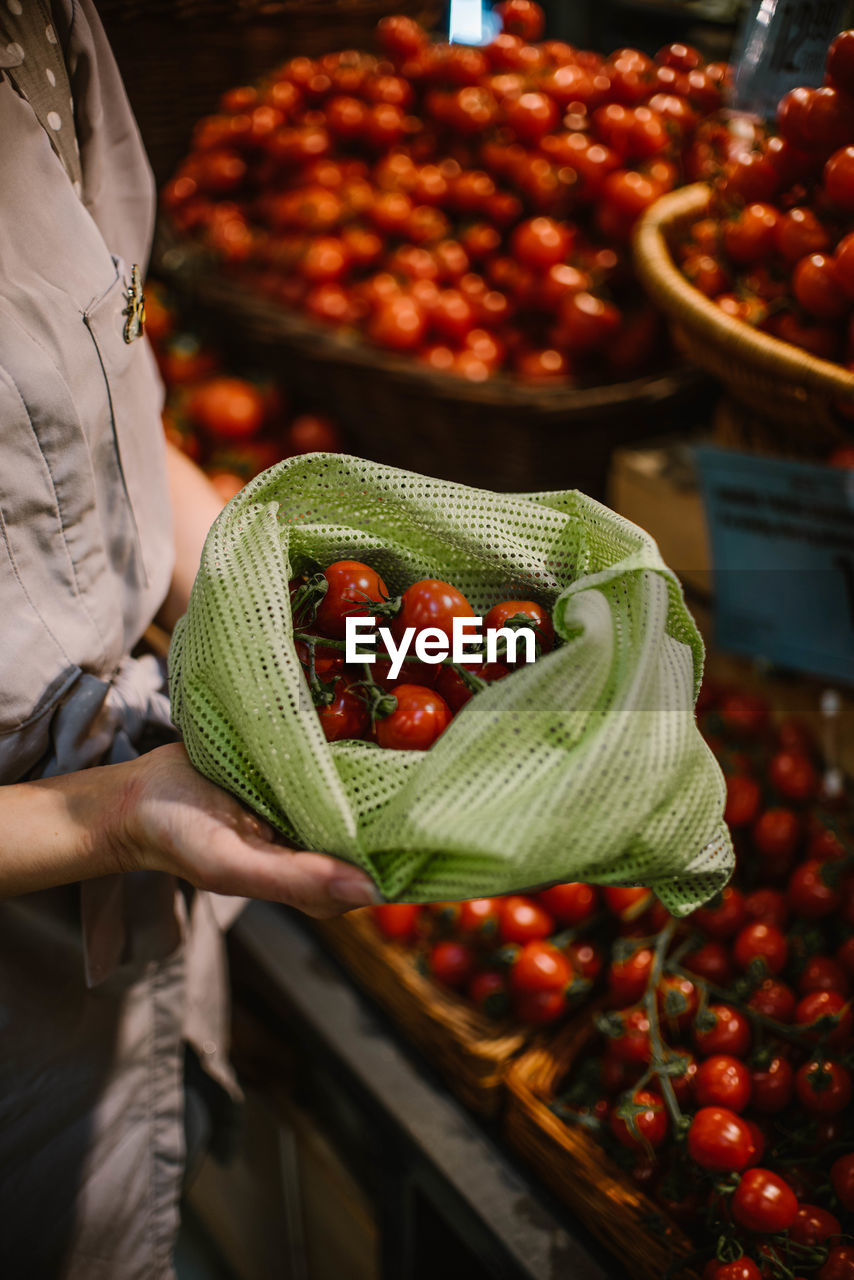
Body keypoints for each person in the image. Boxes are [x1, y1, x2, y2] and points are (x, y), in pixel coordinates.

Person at [0, 3, 378, 1277]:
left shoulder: (53, 23)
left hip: (88, 939)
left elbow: (92, 423)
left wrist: (273, 599)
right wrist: (108, 817)